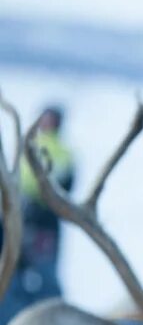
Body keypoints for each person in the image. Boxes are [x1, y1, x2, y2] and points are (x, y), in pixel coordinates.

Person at [17, 105, 75, 298]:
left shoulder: (32, 146)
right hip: (35, 219)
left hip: (36, 219)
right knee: (40, 275)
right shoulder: (30, 145)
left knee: (31, 274)